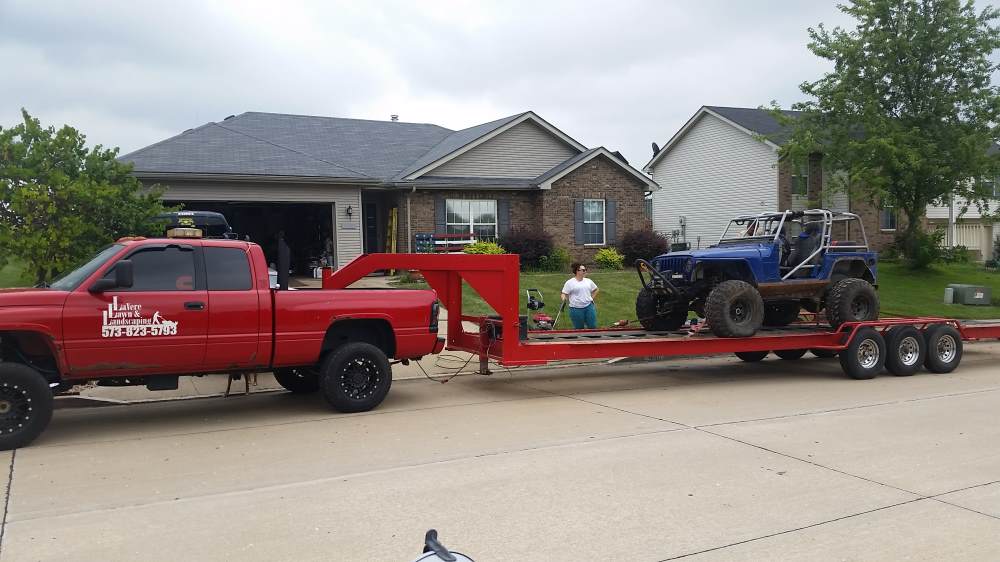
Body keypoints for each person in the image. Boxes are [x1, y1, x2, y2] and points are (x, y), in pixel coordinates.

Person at [561, 263, 599, 329]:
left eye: (585, 270)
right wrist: (563, 299)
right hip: (575, 309)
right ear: (577, 271)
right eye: (583, 270)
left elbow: (596, 289)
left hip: (589, 307)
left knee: (592, 326)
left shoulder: (588, 281)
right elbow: (564, 293)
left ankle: (592, 339)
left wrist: (591, 298)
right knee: (579, 328)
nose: (585, 271)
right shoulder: (570, 283)